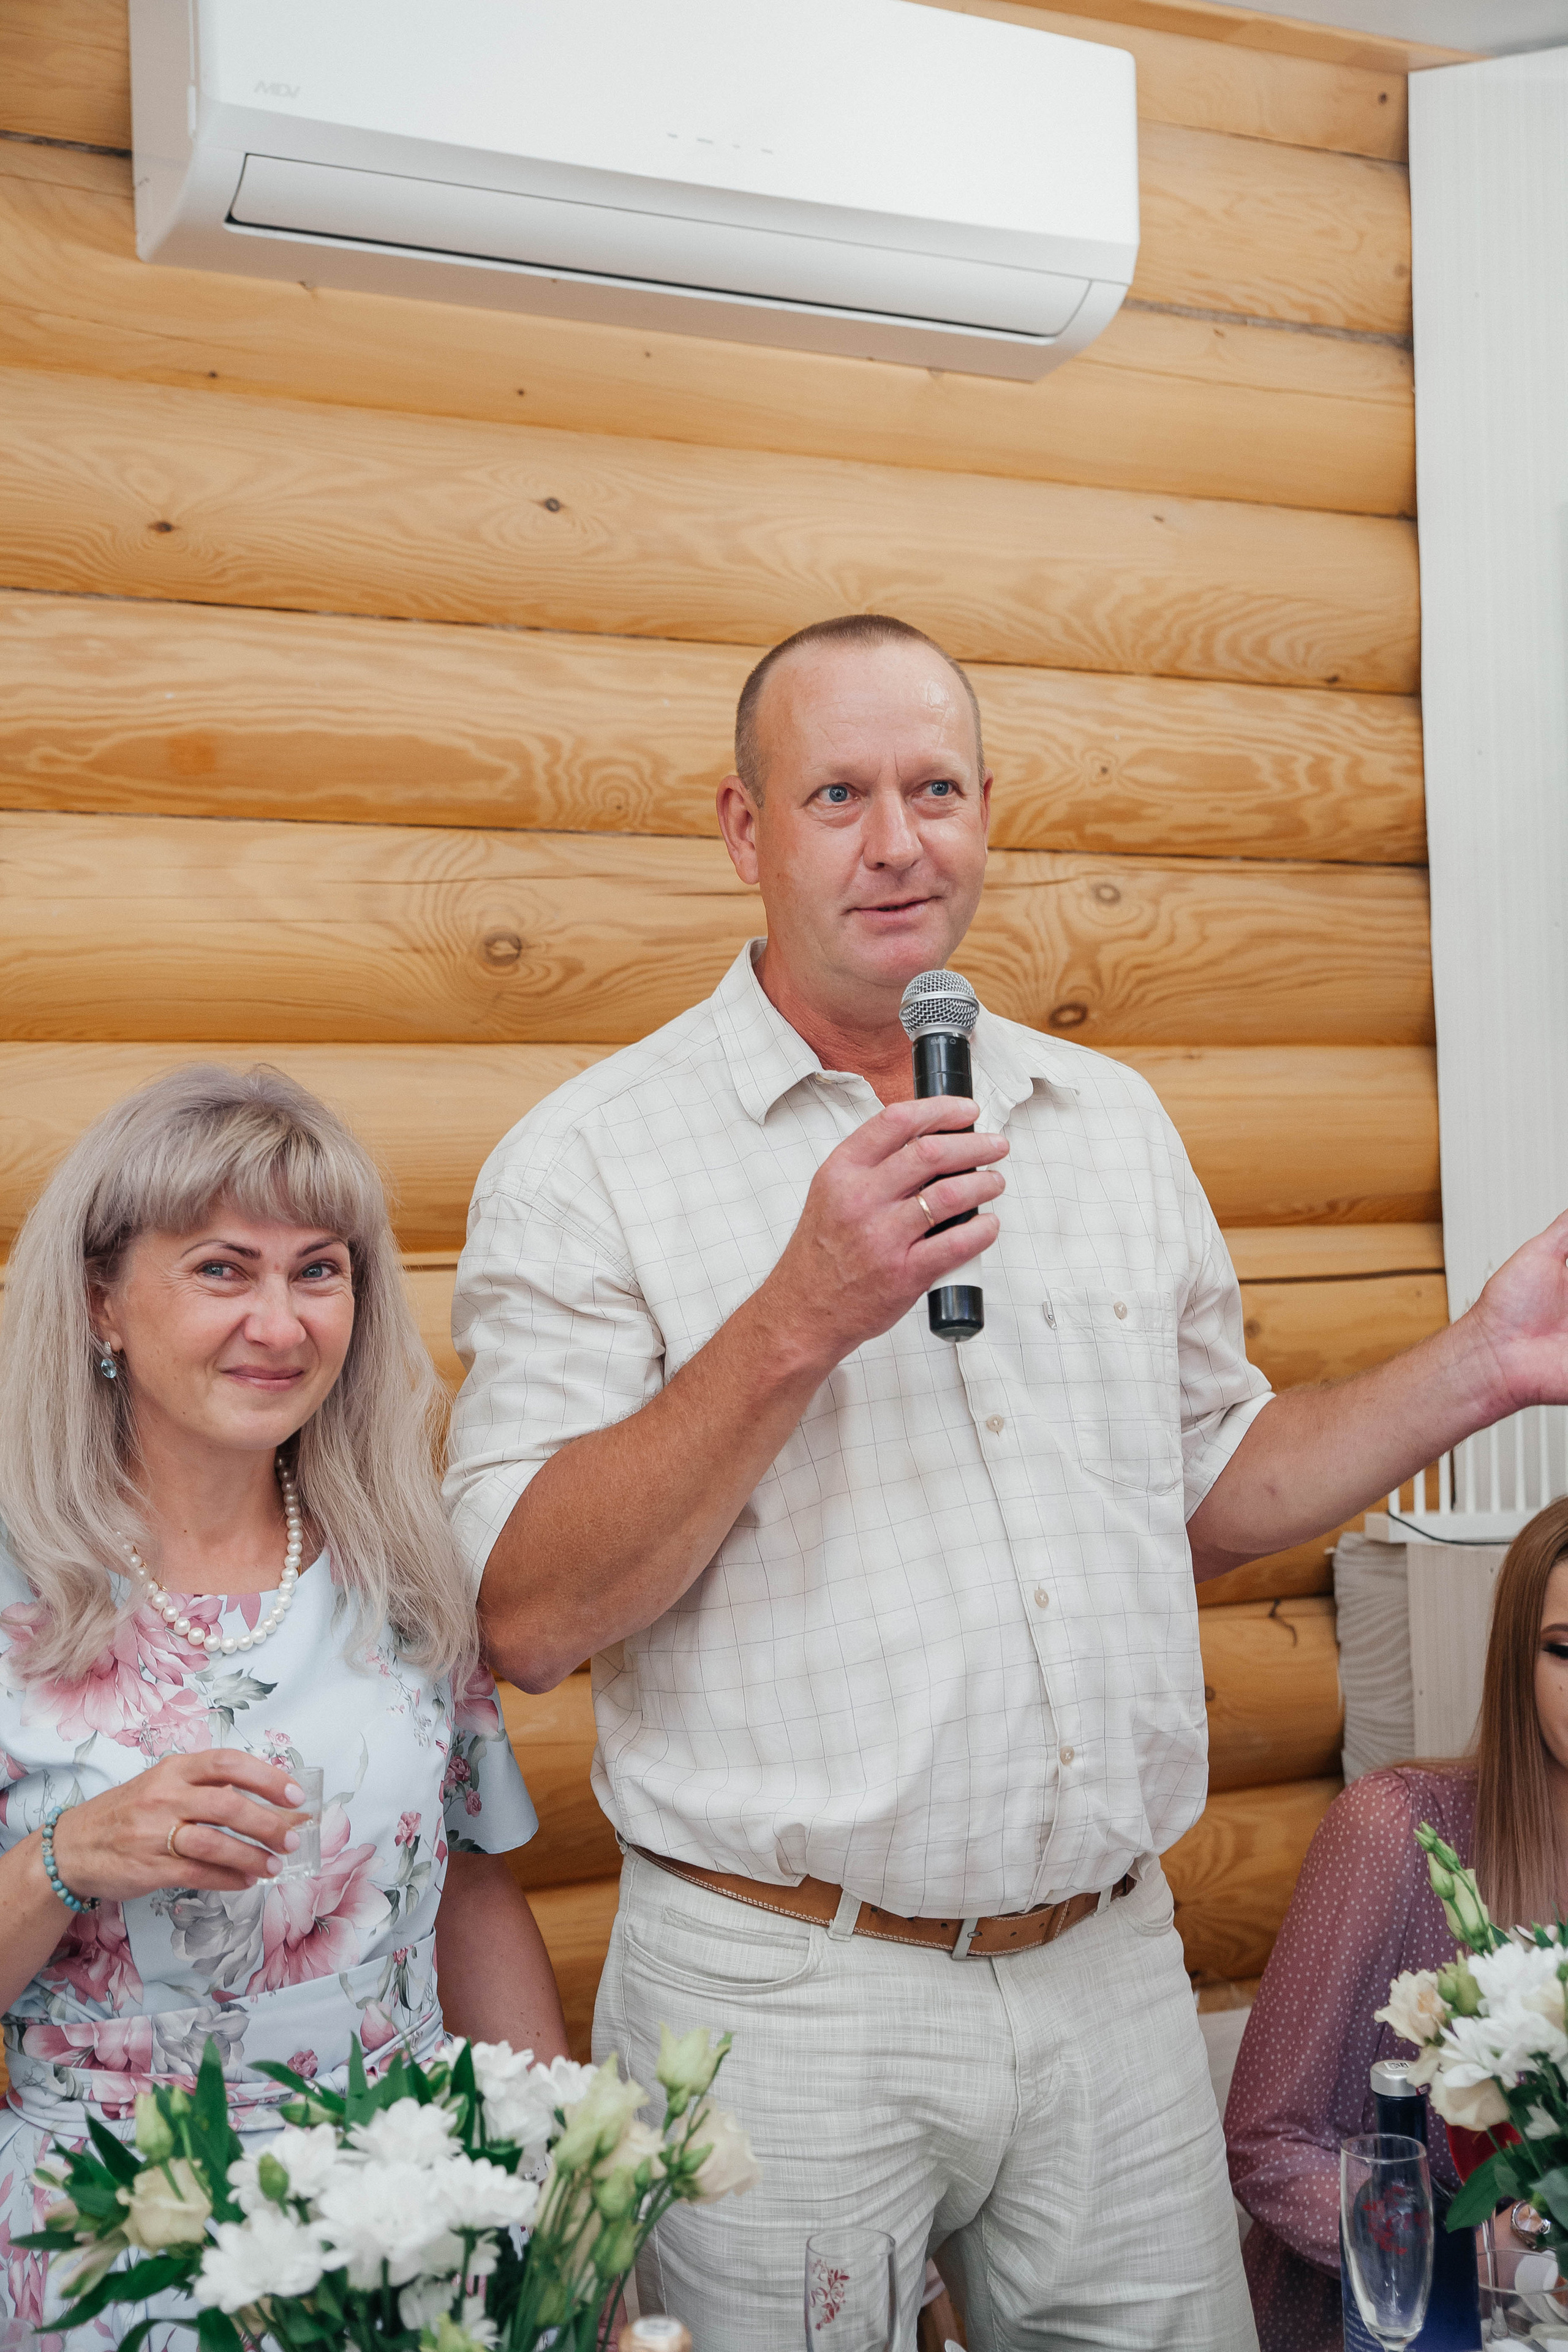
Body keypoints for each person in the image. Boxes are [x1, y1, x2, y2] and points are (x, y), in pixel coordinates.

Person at [445, 611, 1568, 2351]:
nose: (898, 842)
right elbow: (524, 1610)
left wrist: (1484, 1363)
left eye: (936, 789)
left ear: (987, 813)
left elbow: (1216, 1489)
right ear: (745, 831)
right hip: (786, 1988)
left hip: (1106, 1967)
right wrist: (797, 1320)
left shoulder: (1107, 1124)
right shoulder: (588, 1163)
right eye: (837, 794)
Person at [0, 1065, 567, 2343]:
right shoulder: (12, 1592)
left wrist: (564, 2193)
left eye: (319, 1270)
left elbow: (473, 1886)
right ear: (103, 1300)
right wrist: (65, 1859)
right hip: (119, 2243)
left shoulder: (400, 1569)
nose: (281, 1321)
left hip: (415, 2216)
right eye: (221, 1270)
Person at [1226, 1495, 1568, 2350]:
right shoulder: (1396, 1831)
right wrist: (1462, 2255)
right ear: (1515, 1662)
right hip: (1401, 2319)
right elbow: (1266, 2141)